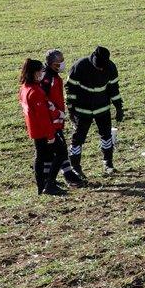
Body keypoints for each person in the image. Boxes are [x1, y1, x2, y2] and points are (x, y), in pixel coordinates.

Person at [66, 46, 123, 178]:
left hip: (102, 108)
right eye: (98, 67)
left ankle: (108, 163)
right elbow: (70, 88)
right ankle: (75, 167)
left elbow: (114, 88)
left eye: (103, 67)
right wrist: (71, 109)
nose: (101, 69)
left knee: (106, 135)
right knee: (78, 139)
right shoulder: (80, 66)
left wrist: (118, 107)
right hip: (82, 109)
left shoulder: (110, 67)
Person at [20, 58, 65, 196]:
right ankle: (50, 183)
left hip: (33, 129)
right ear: (34, 73)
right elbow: (43, 117)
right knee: (61, 152)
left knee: (40, 157)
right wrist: (51, 135)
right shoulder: (36, 92)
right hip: (43, 131)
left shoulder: (23, 88)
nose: (42, 74)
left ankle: (41, 186)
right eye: (40, 71)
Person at [42, 49, 82, 187]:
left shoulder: (54, 76)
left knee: (52, 151)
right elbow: (44, 99)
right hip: (51, 122)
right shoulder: (47, 78)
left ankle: (49, 176)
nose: (63, 64)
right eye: (60, 61)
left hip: (56, 120)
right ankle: (66, 175)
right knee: (60, 150)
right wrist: (56, 113)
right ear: (53, 63)